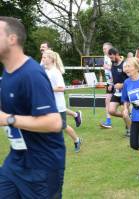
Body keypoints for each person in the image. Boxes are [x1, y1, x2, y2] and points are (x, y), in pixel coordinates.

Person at [0, 17, 65, 198]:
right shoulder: (7, 73)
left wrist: (7, 119)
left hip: (42, 166)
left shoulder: (32, 74)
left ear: (12, 39)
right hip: (16, 161)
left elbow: (54, 122)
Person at [42, 50, 83, 152]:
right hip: (48, 104)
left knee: (62, 126)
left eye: (45, 57)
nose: (43, 59)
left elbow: (62, 88)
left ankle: (77, 140)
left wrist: (49, 89)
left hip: (58, 105)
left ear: (51, 59)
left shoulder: (55, 72)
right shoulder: (46, 71)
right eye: (43, 57)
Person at [40, 41, 83, 127]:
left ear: (49, 49)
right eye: (41, 47)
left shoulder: (54, 67)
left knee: (61, 119)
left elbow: (61, 85)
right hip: (48, 96)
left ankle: (75, 137)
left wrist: (48, 87)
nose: (41, 48)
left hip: (56, 94)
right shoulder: (44, 61)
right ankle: (75, 115)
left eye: (43, 47)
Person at [108, 47, 131, 136]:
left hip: (125, 93)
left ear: (117, 54)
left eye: (112, 57)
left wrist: (122, 85)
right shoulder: (112, 64)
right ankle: (128, 118)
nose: (111, 59)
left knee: (124, 112)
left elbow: (131, 79)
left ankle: (130, 130)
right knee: (111, 111)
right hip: (116, 92)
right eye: (110, 58)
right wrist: (111, 84)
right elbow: (113, 76)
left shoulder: (125, 64)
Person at [99, 42, 114, 128]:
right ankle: (108, 121)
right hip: (110, 82)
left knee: (124, 103)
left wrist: (107, 67)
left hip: (116, 82)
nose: (103, 50)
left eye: (105, 48)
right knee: (107, 100)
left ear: (109, 49)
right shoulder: (105, 57)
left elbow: (116, 69)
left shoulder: (112, 57)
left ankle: (129, 117)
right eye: (103, 48)